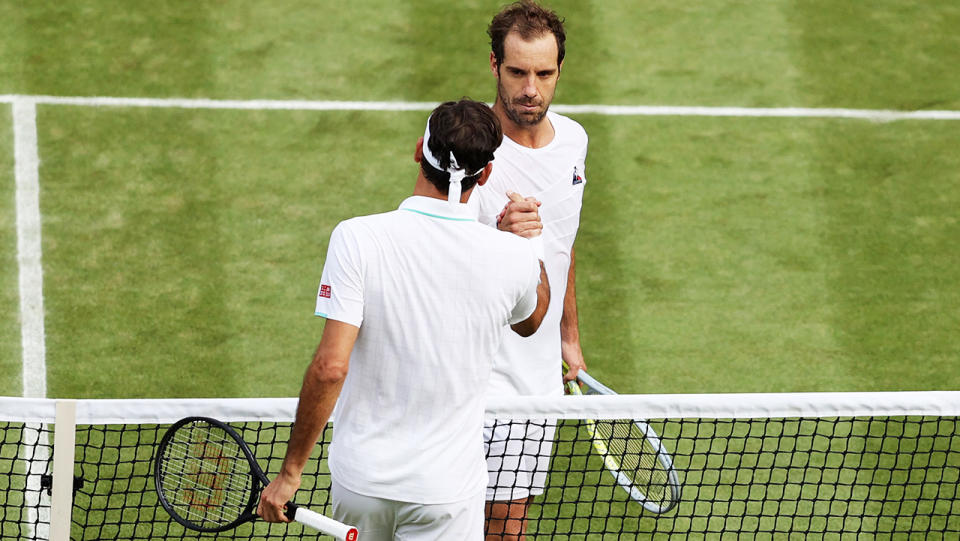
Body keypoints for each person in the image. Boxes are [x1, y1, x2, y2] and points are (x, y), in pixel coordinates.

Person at [256, 99, 550, 541]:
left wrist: (290, 474)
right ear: (485, 174)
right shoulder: (512, 256)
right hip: (446, 492)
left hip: (362, 483)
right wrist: (531, 244)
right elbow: (530, 321)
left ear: (418, 150)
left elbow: (331, 367)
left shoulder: (356, 238)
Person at [469, 2, 590, 539]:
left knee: (506, 523)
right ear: (495, 65)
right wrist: (497, 236)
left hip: (532, 375)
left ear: (560, 71)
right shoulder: (465, 144)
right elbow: (429, 250)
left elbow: (563, 245)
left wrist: (569, 336)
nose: (530, 90)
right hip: (468, 364)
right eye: (518, 72)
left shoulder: (575, 143)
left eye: (543, 74)